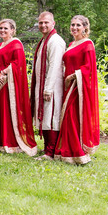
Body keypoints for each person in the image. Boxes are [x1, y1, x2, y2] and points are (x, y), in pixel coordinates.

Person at [0, 19, 37, 155]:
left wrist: (4, 72)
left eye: (5, 28)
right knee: (0, 113)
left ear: (13, 30)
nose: (2, 31)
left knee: (9, 112)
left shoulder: (16, 44)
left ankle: (11, 143)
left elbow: (18, 63)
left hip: (9, 84)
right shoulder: (0, 45)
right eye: (1, 28)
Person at [55, 15, 100, 164]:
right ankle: (66, 151)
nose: (74, 28)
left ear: (85, 28)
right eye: (72, 25)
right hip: (68, 86)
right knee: (67, 119)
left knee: (72, 117)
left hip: (78, 86)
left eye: (78, 25)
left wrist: (74, 76)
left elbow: (89, 67)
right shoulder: (72, 44)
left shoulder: (88, 44)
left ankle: (77, 153)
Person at [31, 11, 66, 160]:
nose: (43, 25)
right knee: (45, 116)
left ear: (53, 23)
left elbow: (55, 66)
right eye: (40, 23)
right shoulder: (45, 40)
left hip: (52, 85)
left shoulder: (55, 41)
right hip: (43, 84)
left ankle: (50, 152)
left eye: (46, 22)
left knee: (52, 116)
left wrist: (48, 88)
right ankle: (47, 148)